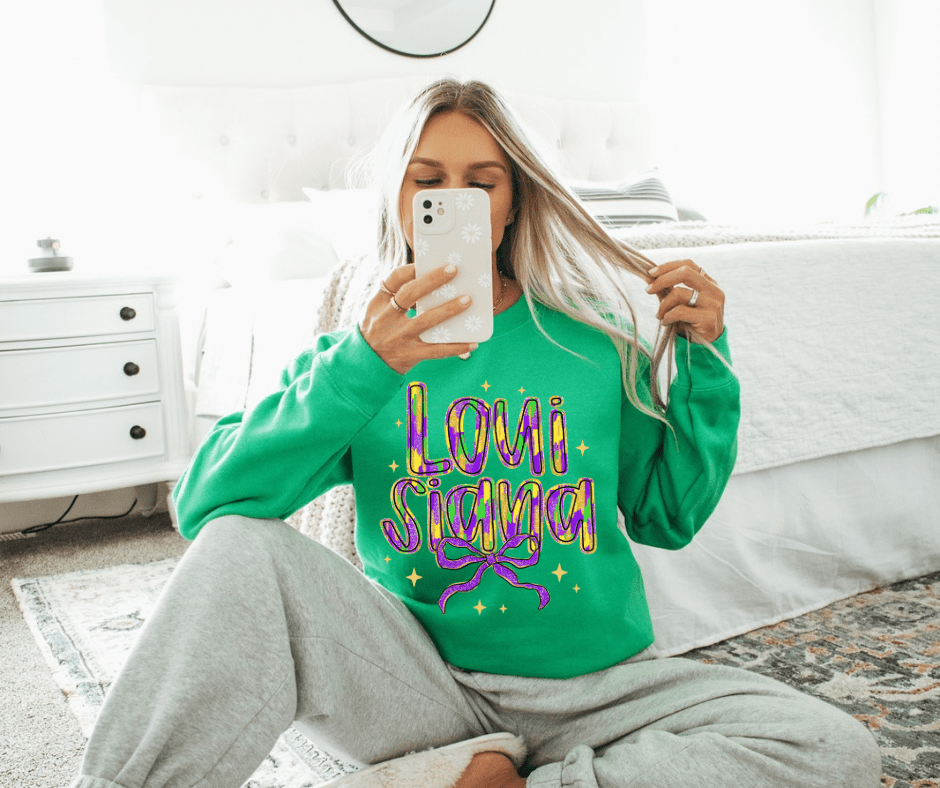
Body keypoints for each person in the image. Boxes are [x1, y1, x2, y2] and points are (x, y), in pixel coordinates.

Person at [69, 79, 881, 788]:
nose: (453, 201)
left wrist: (705, 360)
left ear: (514, 199)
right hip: (419, 689)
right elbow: (207, 506)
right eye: (428, 182)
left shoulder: (592, 342)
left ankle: (495, 781)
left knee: (829, 749)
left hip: (599, 693)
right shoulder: (358, 357)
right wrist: (364, 366)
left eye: (481, 183)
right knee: (240, 548)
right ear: (397, 199)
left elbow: (668, 516)